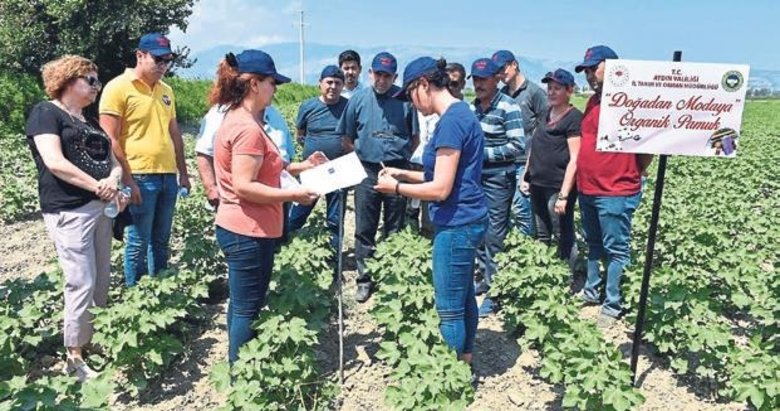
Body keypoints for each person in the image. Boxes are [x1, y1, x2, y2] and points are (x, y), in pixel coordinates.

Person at [208, 49, 324, 363]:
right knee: (248, 308)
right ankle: (241, 374)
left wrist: (301, 167)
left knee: (241, 303)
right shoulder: (247, 128)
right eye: (273, 83)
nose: (276, 89)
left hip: (240, 226)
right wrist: (293, 196)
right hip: (248, 229)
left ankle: (238, 366)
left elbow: (264, 169)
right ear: (255, 84)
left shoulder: (239, 119)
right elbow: (245, 185)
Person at [375, 56, 487, 371]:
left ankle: (447, 378)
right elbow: (443, 174)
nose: (411, 104)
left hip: (456, 223)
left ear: (424, 85)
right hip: (468, 217)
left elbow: (440, 189)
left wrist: (394, 189)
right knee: (464, 297)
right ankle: (464, 362)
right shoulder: (460, 113)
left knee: (449, 309)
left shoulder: (451, 122)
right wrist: (403, 173)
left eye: (410, 94)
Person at [26, 55, 127, 382]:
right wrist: (99, 186)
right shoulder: (46, 114)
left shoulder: (91, 122)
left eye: (98, 80)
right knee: (80, 280)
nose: (97, 87)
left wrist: (114, 181)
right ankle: (73, 355)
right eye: (91, 80)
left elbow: (114, 162)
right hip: (69, 209)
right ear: (69, 81)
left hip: (100, 208)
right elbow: (55, 162)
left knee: (100, 280)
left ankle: (92, 340)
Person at [99, 33, 190, 286]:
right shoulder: (117, 87)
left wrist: (183, 172)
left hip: (167, 176)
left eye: (167, 61)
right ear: (140, 55)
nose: (163, 66)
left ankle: (160, 289)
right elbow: (111, 139)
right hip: (138, 175)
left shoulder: (166, 90)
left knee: (161, 240)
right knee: (138, 241)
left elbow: (175, 134)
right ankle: (135, 297)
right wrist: (128, 180)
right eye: (158, 60)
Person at [574, 45, 653, 328]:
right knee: (594, 244)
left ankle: (612, 304)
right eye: (585, 71)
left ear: (613, 66)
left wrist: (634, 172)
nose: (589, 75)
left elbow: (647, 148)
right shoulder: (593, 102)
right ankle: (592, 291)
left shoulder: (630, 101)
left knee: (616, 249)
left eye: (594, 68)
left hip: (616, 190)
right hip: (589, 188)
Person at [337, 51, 417, 302]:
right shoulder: (358, 100)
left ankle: (391, 276)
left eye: (387, 75)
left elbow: (414, 139)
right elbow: (347, 138)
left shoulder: (405, 102)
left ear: (394, 76)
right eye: (377, 74)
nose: (381, 80)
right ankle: (364, 279)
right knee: (365, 227)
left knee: (394, 226)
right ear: (370, 73)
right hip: (368, 172)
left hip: (396, 170)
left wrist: (397, 160)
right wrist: (364, 157)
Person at [469, 57, 525, 317]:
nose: (479, 84)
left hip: (498, 179)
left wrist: (482, 154)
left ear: (495, 80)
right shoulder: (473, 108)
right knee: (479, 231)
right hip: (476, 177)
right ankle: (484, 279)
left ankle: (495, 292)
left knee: (494, 235)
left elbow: (517, 146)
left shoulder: (508, 107)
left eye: (483, 79)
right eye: (476, 80)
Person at [519, 69, 582, 269]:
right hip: (537, 183)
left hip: (557, 186)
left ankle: (569, 276)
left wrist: (564, 195)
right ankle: (543, 274)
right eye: (550, 88)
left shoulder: (574, 118)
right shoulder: (545, 114)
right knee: (541, 232)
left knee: (562, 233)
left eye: (557, 88)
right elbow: (535, 147)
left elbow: (575, 159)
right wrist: (525, 176)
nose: (552, 92)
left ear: (569, 90)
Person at [288, 65, 349, 249]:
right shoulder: (308, 107)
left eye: (337, 83)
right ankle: (283, 246)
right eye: (329, 82)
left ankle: (333, 258)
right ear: (320, 84)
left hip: (338, 170)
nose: (333, 86)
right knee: (298, 212)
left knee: (335, 219)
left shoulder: (348, 106)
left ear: (343, 85)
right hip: (313, 171)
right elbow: (300, 134)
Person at [195, 104, 295, 210]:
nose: (275, 89)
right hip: (238, 201)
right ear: (254, 87)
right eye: (272, 86)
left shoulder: (275, 115)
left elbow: (287, 156)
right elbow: (204, 151)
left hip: (277, 198)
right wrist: (211, 187)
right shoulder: (220, 113)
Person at [492, 50, 548, 237]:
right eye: (497, 72)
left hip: (525, 162)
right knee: (503, 211)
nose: (500, 75)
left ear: (514, 64)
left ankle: (525, 251)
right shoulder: (501, 94)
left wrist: (529, 169)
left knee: (522, 210)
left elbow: (542, 132)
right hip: (504, 160)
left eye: (502, 69)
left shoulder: (535, 93)